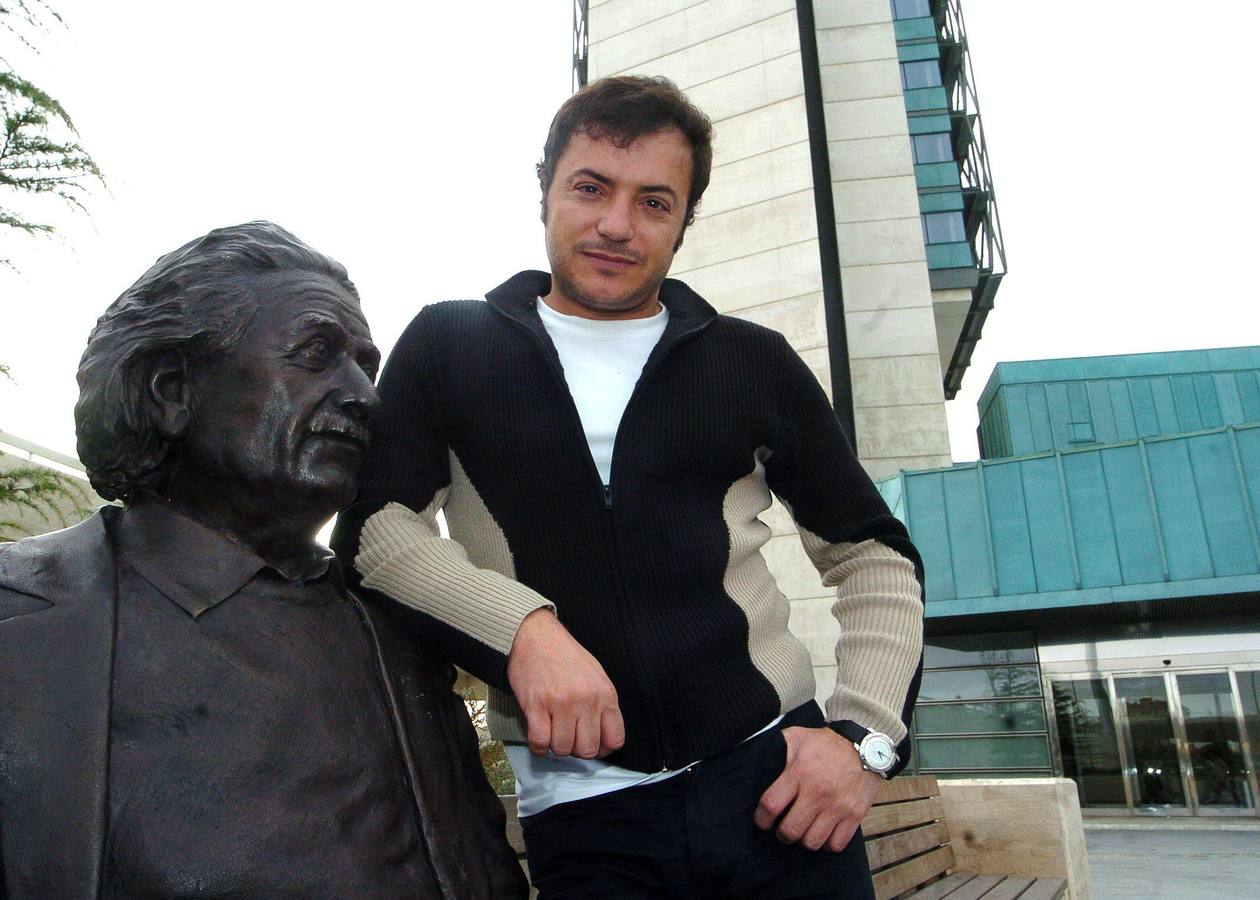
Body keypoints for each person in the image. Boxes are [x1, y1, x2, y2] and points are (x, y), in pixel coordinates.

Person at [334, 76, 924, 898]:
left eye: (654, 202)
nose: (616, 224)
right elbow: (374, 532)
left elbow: (873, 556)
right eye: (590, 188)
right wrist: (524, 632)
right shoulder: (449, 344)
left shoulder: (749, 361)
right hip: (585, 821)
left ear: (683, 225)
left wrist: (863, 738)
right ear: (544, 189)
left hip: (778, 792)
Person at [0, 222, 527, 898]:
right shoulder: (20, 624)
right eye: (315, 352)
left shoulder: (401, 638)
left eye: (366, 366)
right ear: (170, 391)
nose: (366, 396)